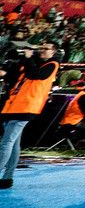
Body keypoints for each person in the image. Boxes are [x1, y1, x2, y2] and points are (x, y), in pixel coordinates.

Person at [0, 41, 60, 189]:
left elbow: (35, 75)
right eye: (41, 48)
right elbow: (15, 78)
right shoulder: (33, 62)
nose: (42, 50)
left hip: (26, 107)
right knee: (13, 143)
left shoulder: (52, 64)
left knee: (6, 142)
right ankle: (7, 178)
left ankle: (6, 175)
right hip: (13, 106)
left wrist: (28, 58)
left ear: (53, 51)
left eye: (46, 48)